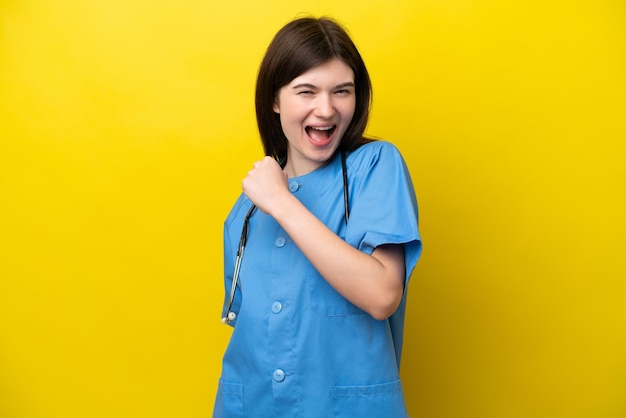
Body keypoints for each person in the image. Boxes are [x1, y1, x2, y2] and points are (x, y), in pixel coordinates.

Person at [213, 16, 421, 417]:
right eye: (306, 91)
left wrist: (283, 202)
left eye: (341, 91)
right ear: (274, 100)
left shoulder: (375, 167)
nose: (326, 109)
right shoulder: (246, 210)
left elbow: (382, 295)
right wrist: (271, 198)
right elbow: (251, 333)